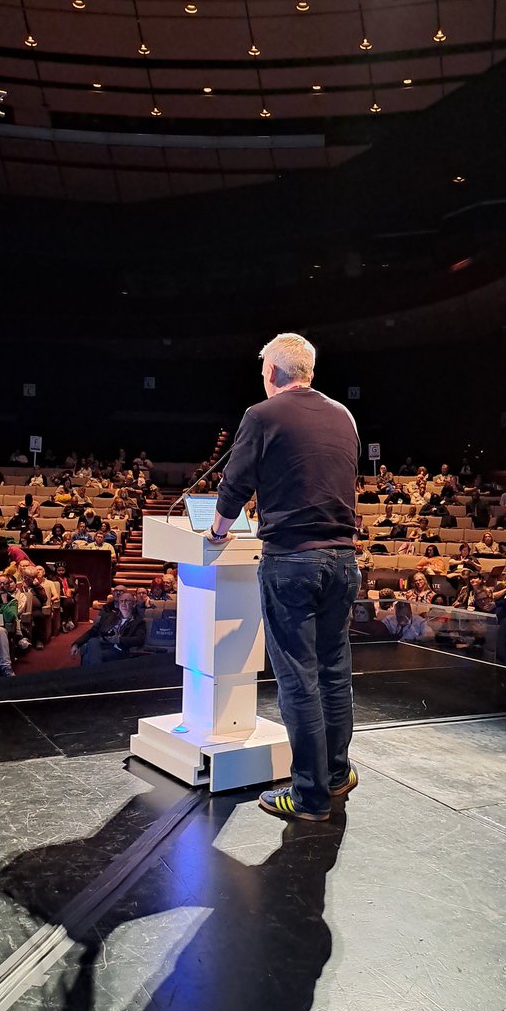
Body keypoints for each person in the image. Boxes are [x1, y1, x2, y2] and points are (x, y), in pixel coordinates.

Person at [206, 332, 360, 822]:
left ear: (272, 372)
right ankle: (337, 776)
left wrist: (216, 529)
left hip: (292, 561)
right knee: (334, 673)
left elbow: (236, 483)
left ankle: (309, 796)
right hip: (343, 561)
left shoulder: (261, 415)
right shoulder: (345, 416)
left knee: (299, 682)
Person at [70, 591, 146, 667]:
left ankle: (94, 674)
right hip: (102, 645)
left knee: (87, 657)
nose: (123, 603)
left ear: (133, 604)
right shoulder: (109, 617)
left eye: (126, 601)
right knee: (93, 641)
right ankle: (97, 674)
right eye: (121, 601)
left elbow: (139, 640)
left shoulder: (138, 622)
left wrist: (119, 640)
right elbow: (93, 631)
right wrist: (77, 644)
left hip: (119, 649)